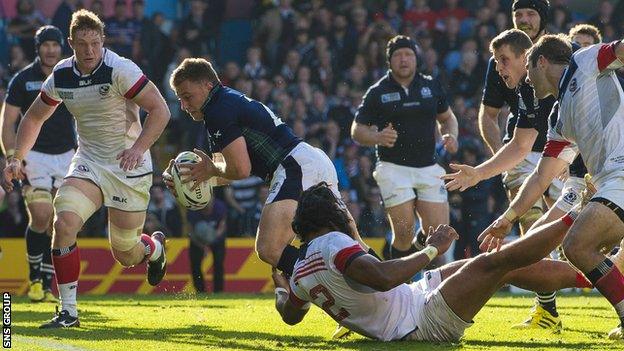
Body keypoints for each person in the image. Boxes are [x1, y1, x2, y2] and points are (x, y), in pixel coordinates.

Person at [2, 10, 171, 328]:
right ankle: (68, 312)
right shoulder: (61, 75)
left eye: (95, 43)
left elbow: (160, 109)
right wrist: (15, 158)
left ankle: (155, 247)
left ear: (103, 41)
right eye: (82, 44)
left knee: (126, 254)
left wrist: (137, 148)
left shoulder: (120, 68)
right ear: (71, 43)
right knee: (63, 221)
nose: (90, 50)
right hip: (89, 162)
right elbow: (35, 117)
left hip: (127, 165)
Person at [272, 182, 593, 341]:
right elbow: (383, 277)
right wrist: (431, 249)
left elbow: (290, 317)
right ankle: (578, 214)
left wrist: (280, 291)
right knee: (496, 264)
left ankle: (597, 275)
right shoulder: (332, 243)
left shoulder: (300, 270)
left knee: (499, 265)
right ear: (331, 214)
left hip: (412, 300)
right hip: (418, 321)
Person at [165, 58, 377, 280]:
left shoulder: (217, 111)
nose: (184, 105)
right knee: (353, 243)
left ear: (207, 85)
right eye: (180, 99)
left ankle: (320, 284)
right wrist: (189, 179)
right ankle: (389, 291)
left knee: (269, 248)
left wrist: (211, 170)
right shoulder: (224, 102)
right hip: (310, 162)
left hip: (294, 167)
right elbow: (227, 171)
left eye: (187, 97)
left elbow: (240, 169)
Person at [479, 34, 624, 339]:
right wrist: (507, 219)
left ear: (540, 61)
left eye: (528, 70)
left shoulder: (584, 61)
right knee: (586, 248)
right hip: (610, 181)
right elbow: (540, 178)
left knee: (576, 245)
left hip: (619, 176)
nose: (527, 80)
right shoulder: (558, 118)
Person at [470, 0, 572, 330]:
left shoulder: (561, 54)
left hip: (567, 151)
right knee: (531, 223)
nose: (524, 19)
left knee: (579, 232)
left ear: (543, 17)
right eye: (518, 15)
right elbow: (489, 114)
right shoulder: (502, 61)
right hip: (523, 152)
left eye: (530, 14)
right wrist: (497, 160)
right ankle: (548, 311)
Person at [350, 35, 458, 261]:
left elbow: (448, 118)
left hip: (428, 165)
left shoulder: (431, 85)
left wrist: (451, 135)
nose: (403, 59)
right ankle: (396, 280)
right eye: (398, 55)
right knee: (403, 232)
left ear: (416, 59)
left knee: (439, 234)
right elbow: (357, 130)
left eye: (408, 54)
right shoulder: (378, 91)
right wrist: (377, 136)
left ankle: (406, 260)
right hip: (392, 167)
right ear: (389, 61)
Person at [0, 26, 74, 304]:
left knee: (63, 221)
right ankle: (35, 281)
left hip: (68, 154)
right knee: (41, 216)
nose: (51, 49)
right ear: (38, 48)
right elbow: (7, 123)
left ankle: (46, 284)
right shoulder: (22, 80)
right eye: (46, 45)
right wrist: (12, 156)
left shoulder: (71, 76)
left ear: (62, 47)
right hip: (35, 156)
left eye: (56, 44)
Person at [188, 197, 227, 293]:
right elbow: (191, 232)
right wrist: (203, 246)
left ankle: (218, 291)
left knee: (218, 263)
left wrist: (212, 238)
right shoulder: (193, 210)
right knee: (195, 264)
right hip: (197, 240)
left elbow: (222, 226)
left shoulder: (220, 207)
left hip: (216, 238)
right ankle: (200, 290)